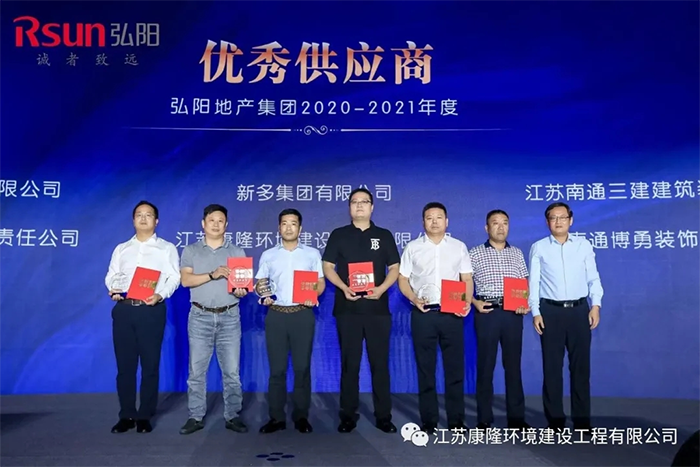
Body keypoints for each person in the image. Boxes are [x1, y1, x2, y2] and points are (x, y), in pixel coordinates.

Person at [322, 188, 400, 434]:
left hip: (378, 310)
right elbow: (327, 266)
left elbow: (395, 267)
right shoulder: (339, 235)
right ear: (349, 207)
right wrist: (343, 287)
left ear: (372, 207)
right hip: (348, 309)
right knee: (350, 365)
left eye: (364, 202)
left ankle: (384, 416)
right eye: (354, 202)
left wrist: (382, 289)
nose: (359, 205)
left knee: (380, 364)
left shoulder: (384, 235)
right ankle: (347, 416)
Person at [105, 200, 181, 434]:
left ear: (156, 221)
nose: (143, 218)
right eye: (139, 214)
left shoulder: (166, 248)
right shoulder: (121, 248)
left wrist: (160, 294)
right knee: (125, 366)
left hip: (151, 310)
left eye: (148, 215)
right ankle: (126, 414)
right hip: (124, 309)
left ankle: (145, 415)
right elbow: (111, 275)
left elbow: (174, 277)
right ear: (133, 220)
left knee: (150, 364)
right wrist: (113, 288)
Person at [397, 202, 472, 434]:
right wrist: (413, 298)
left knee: (455, 370)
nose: (435, 221)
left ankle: (456, 421)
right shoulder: (413, 248)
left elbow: (467, 278)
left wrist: (467, 301)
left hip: (452, 314)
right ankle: (428, 420)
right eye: (430, 218)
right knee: (425, 369)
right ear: (423, 222)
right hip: (423, 314)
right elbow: (402, 279)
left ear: (446, 221)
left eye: (439, 217)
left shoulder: (458, 247)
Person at [528, 202, 603, 432]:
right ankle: (555, 421)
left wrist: (596, 305)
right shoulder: (539, 247)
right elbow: (534, 283)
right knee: (552, 369)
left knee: (581, 369)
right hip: (550, 312)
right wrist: (535, 312)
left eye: (562, 217)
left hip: (579, 311)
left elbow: (593, 278)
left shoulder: (583, 245)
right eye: (553, 217)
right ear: (547, 222)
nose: (558, 221)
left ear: (571, 220)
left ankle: (582, 422)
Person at [178, 204, 249, 435]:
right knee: (196, 371)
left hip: (230, 316)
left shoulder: (237, 252)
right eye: (212, 220)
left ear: (226, 225)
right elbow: (186, 281)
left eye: (221, 221)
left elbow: (242, 286)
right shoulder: (191, 250)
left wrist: (241, 291)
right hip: (200, 316)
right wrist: (212, 274)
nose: (216, 224)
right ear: (203, 223)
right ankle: (196, 416)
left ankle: (233, 415)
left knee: (232, 371)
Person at [257, 208, 325, 434]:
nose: (288, 227)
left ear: (300, 228)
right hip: (276, 315)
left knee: (302, 368)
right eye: (284, 223)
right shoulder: (268, 255)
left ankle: (301, 416)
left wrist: (313, 293)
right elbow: (260, 282)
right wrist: (263, 294)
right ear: (279, 228)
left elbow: (320, 282)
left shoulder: (312, 254)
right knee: (277, 370)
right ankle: (276, 417)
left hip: (302, 315)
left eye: (293, 223)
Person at [469, 209, 530, 430]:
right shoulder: (474, 253)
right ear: (487, 228)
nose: (501, 227)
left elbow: (524, 282)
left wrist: (524, 301)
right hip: (487, 312)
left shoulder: (517, 253)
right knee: (485, 366)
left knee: (513, 366)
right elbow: (463, 282)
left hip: (513, 314)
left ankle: (517, 419)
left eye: (505, 222)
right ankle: (484, 418)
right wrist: (474, 302)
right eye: (495, 223)